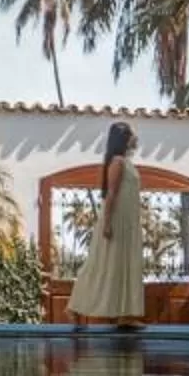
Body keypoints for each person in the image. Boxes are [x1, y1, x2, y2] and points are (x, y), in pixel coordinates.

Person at [68, 120, 144, 329]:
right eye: (132, 134)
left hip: (127, 223)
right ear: (124, 139)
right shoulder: (118, 162)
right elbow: (111, 194)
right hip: (116, 221)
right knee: (101, 264)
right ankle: (74, 307)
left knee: (124, 265)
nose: (136, 138)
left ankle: (125, 315)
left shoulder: (126, 162)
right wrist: (107, 224)